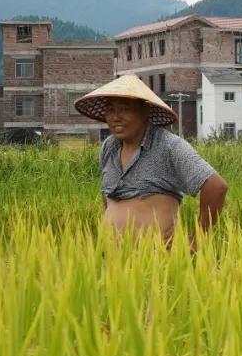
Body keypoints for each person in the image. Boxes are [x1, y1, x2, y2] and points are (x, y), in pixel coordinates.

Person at [74, 74, 228, 247]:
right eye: (110, 110)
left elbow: (216, 187)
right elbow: (108, 199)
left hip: (158, 257)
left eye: (124, 109)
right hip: (112, 257)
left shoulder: (168, 146)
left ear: (145, 112)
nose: (115, 117)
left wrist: (197, 240)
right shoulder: (109, 147)